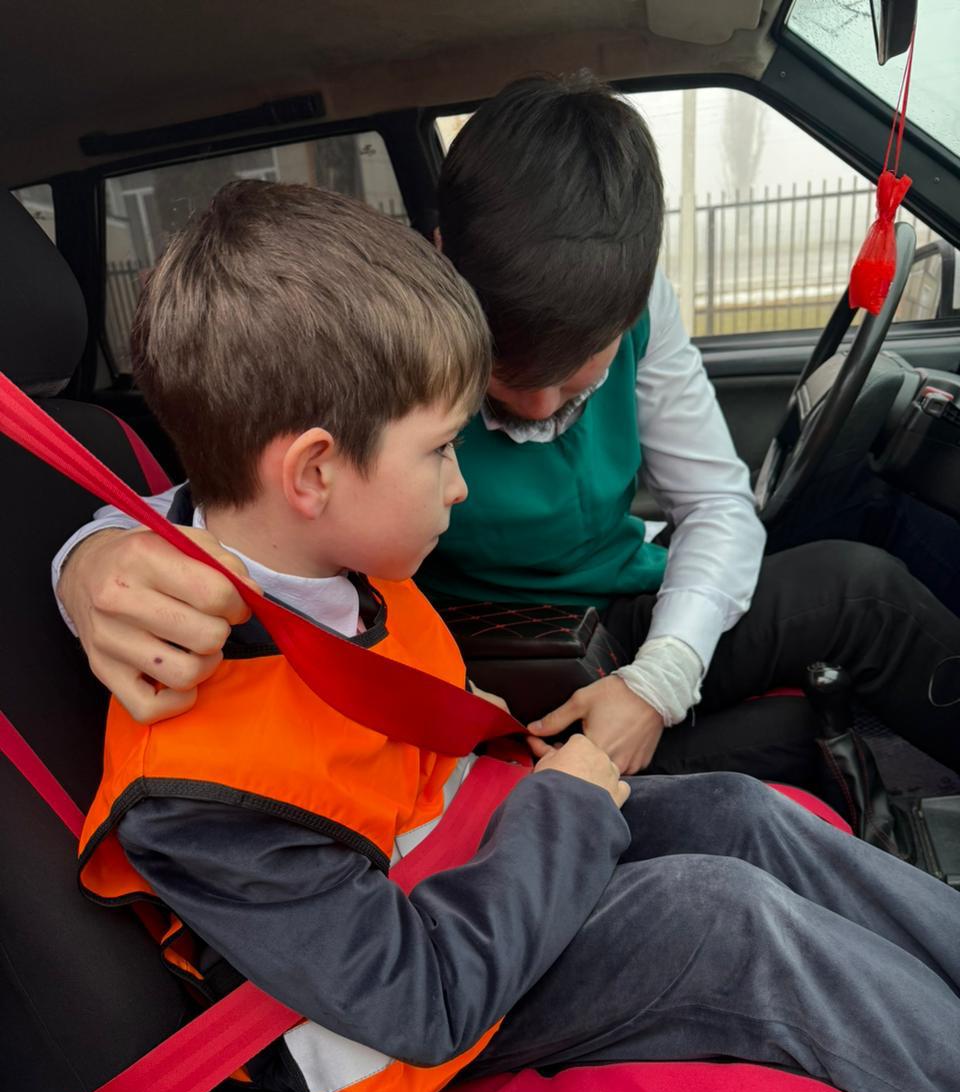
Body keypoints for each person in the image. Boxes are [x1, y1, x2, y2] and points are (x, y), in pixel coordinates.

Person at [76, 179, 960, 1092]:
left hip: (472, 867)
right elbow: (415, 997)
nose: (461, 483)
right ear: (314, 473)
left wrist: (496, 758)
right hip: (402, 1015)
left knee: (740, 811)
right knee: (726, 918)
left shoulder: (333, 569)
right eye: (440, 451)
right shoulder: (200, 790)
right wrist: (565, 809)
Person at [53, 73, 960, 784]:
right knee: (803, 714)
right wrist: (87, 563)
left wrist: (659, 681)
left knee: (862, 595)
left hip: (621, 612)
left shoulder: (638, 301)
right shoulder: (384, 327)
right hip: (489, 654)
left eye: (578, 370)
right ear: (444, 260)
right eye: (503, 372)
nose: (536, 406)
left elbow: (717, 502)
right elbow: (231, 495)